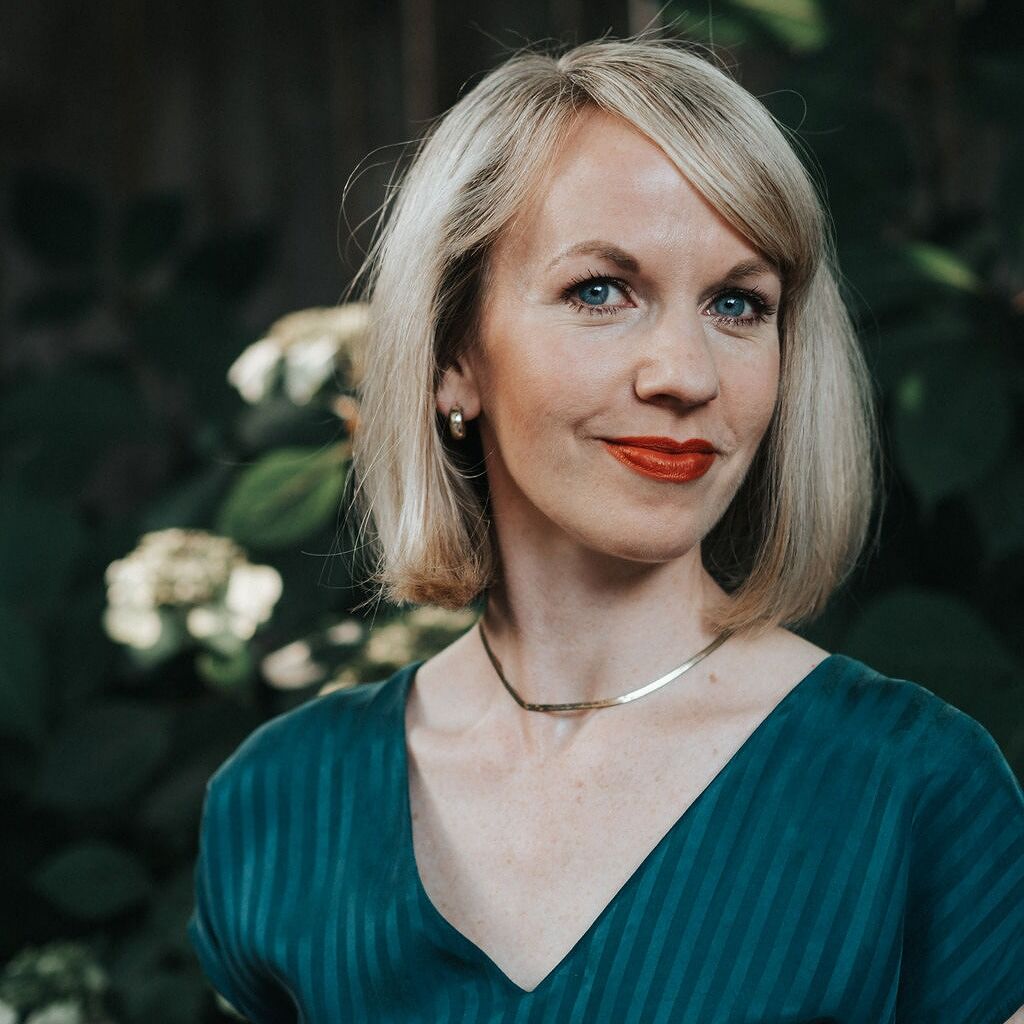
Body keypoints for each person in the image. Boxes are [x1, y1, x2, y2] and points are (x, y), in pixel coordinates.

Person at [186, 32, 1024, 1024]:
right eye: (600, 291)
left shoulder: (918, 793)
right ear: (454, 356)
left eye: (738, 304)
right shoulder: (279, 805)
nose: (685, 374)